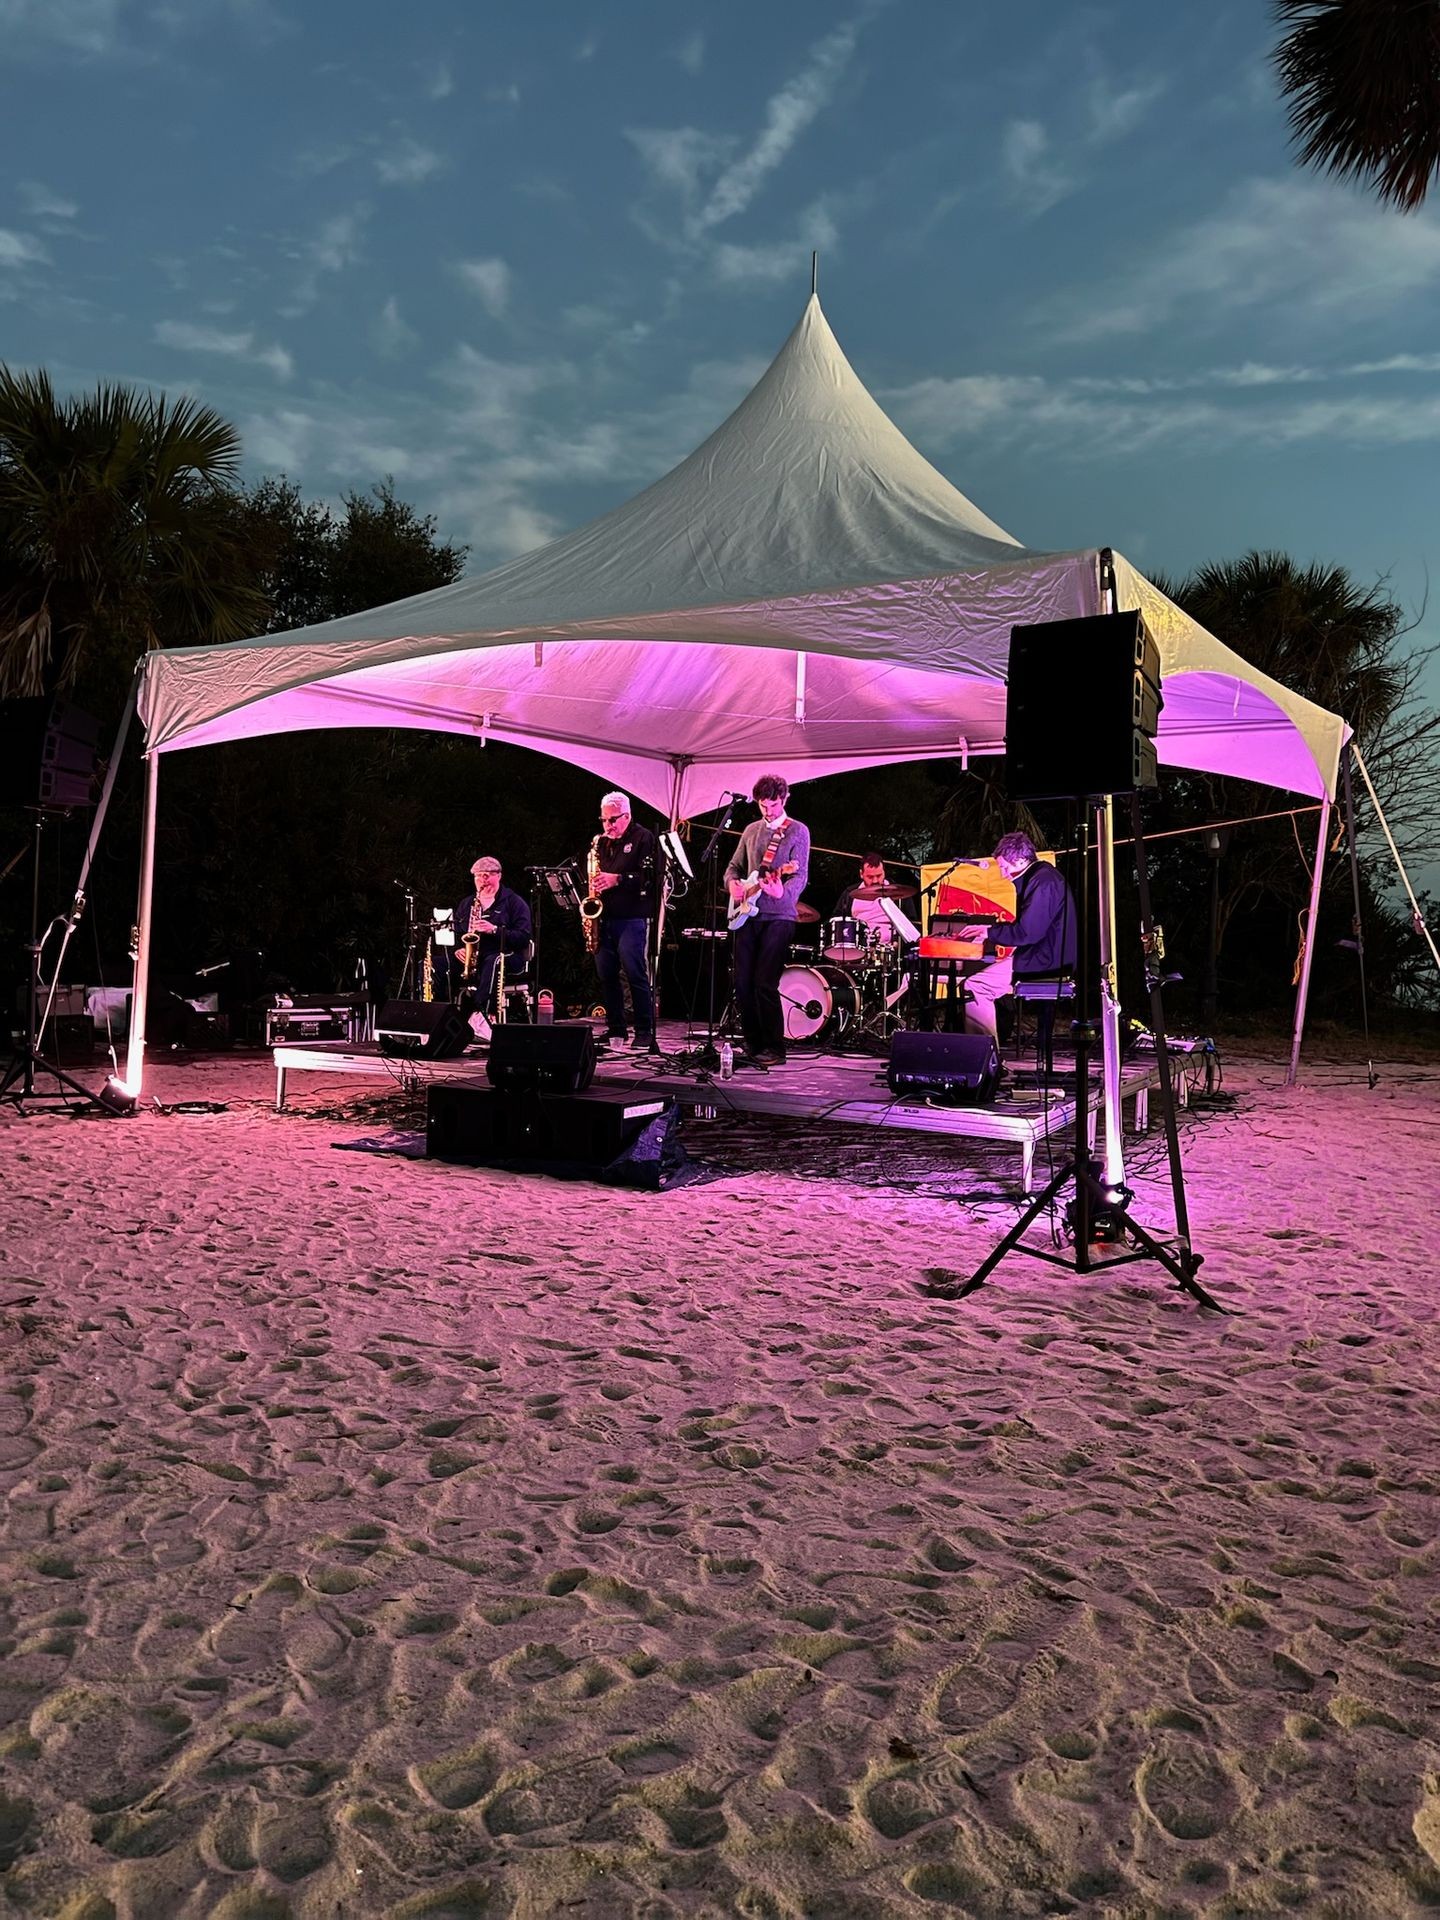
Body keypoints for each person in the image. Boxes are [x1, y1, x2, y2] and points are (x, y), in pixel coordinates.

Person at [724, 773, 810, 1067]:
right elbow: (734, 867)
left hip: (780, 916)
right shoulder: (750, 830)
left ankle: (775, 1048)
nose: (768, 811)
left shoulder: (798, 831)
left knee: (764, 982)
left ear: (784, 799)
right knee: (743, 983)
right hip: (747, 913)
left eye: (773, 805)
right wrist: (732, 885)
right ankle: (753, 1044)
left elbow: (800, 874)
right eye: (763, 806)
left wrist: (781, 891)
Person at [958, 830, 1076, 1043]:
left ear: (1021, 860)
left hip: (1047, 961)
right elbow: (1027, 928)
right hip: (1045, 954)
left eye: (1004, 867)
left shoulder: (1043, 883)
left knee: (975, 986)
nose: (1003, 874)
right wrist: (991, 932)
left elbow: (1027, 932)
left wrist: (989, 932)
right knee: (983, 977)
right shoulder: (1041, 877)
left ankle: (987, 1056)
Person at [588, 790, 658, 1052]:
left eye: (613, 820)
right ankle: (616, 1028)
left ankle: (644, 1030)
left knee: (635, 972)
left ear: (627, 816)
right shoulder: (602, 842)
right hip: (604, 916)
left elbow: (651, 879)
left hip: (632, 916)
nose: (608, 826)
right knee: (606, 975)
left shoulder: (643, 838)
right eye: (604, 820)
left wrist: (618, 879)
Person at [452, 856, 532, 1040]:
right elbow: (456, 932)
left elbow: (523, 937)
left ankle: (482, 1016)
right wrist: (458, 948)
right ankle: (438, 1020)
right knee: (436, 965)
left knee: (493, 961)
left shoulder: (514, 902)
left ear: (499, 876)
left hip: (507, 955)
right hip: (473, 958)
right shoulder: (467, 904)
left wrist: (494, 929)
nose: (483, 880)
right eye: (479, 876)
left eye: (488, 875)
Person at [834, 851, 899, 951]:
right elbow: (837, 921)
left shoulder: (898, 893)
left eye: (879, 875)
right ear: (861, 874)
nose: (875, 881)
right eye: (870, 877)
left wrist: (897, 941)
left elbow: (911, 924)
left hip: (889, 950)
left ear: (884, 872)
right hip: (858, 949)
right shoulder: (850, 893)